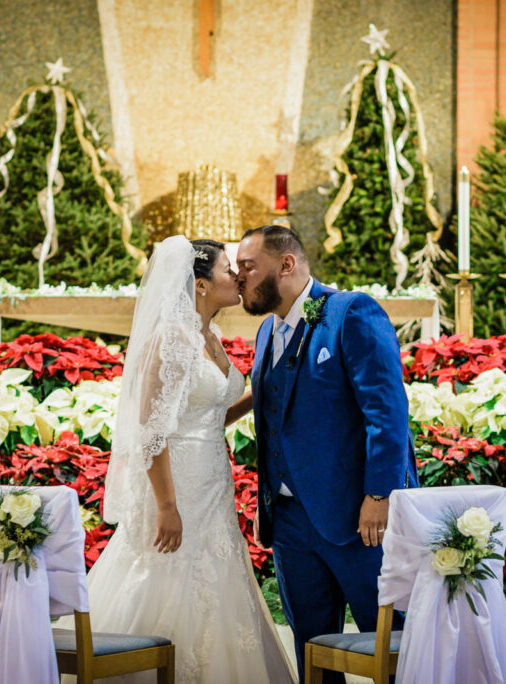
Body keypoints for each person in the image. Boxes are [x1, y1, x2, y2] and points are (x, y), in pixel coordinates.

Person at [65, 235, 294, 683]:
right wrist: (167, 506)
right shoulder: (172, 337)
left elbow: (205, 416)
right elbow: (152, 431)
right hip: (178, 485)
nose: (238, 277)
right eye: (229, 269)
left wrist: (258, 394)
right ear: (201, 283)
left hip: (212, 482)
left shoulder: (210, 336)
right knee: (168, 575)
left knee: (216, 577)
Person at [236, 225, 417, 684]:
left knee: (392, 644)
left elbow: (387, 412)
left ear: (286, 264)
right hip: (290, 525)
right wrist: (267, 499)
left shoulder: (350, 312)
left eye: (248, 266)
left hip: (359, 518)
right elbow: (274, 418)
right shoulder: (266, 331)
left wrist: (380, 495)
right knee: (312, 649)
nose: (239, 277)